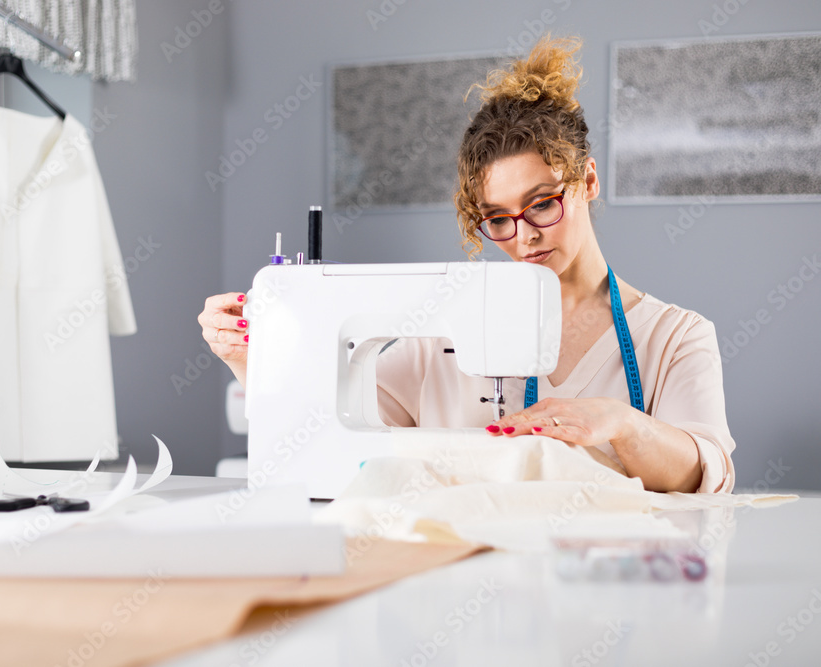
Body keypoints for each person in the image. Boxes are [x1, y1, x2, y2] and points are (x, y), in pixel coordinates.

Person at [198, 35, 735, 495]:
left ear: (588, 181)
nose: (523, 235)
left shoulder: (675, 337)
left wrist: (622, 425)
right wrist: (251, 360)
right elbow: (325, 426)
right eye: (497, 218)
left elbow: (706, 473)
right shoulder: (441, 341)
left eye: (542, 202)